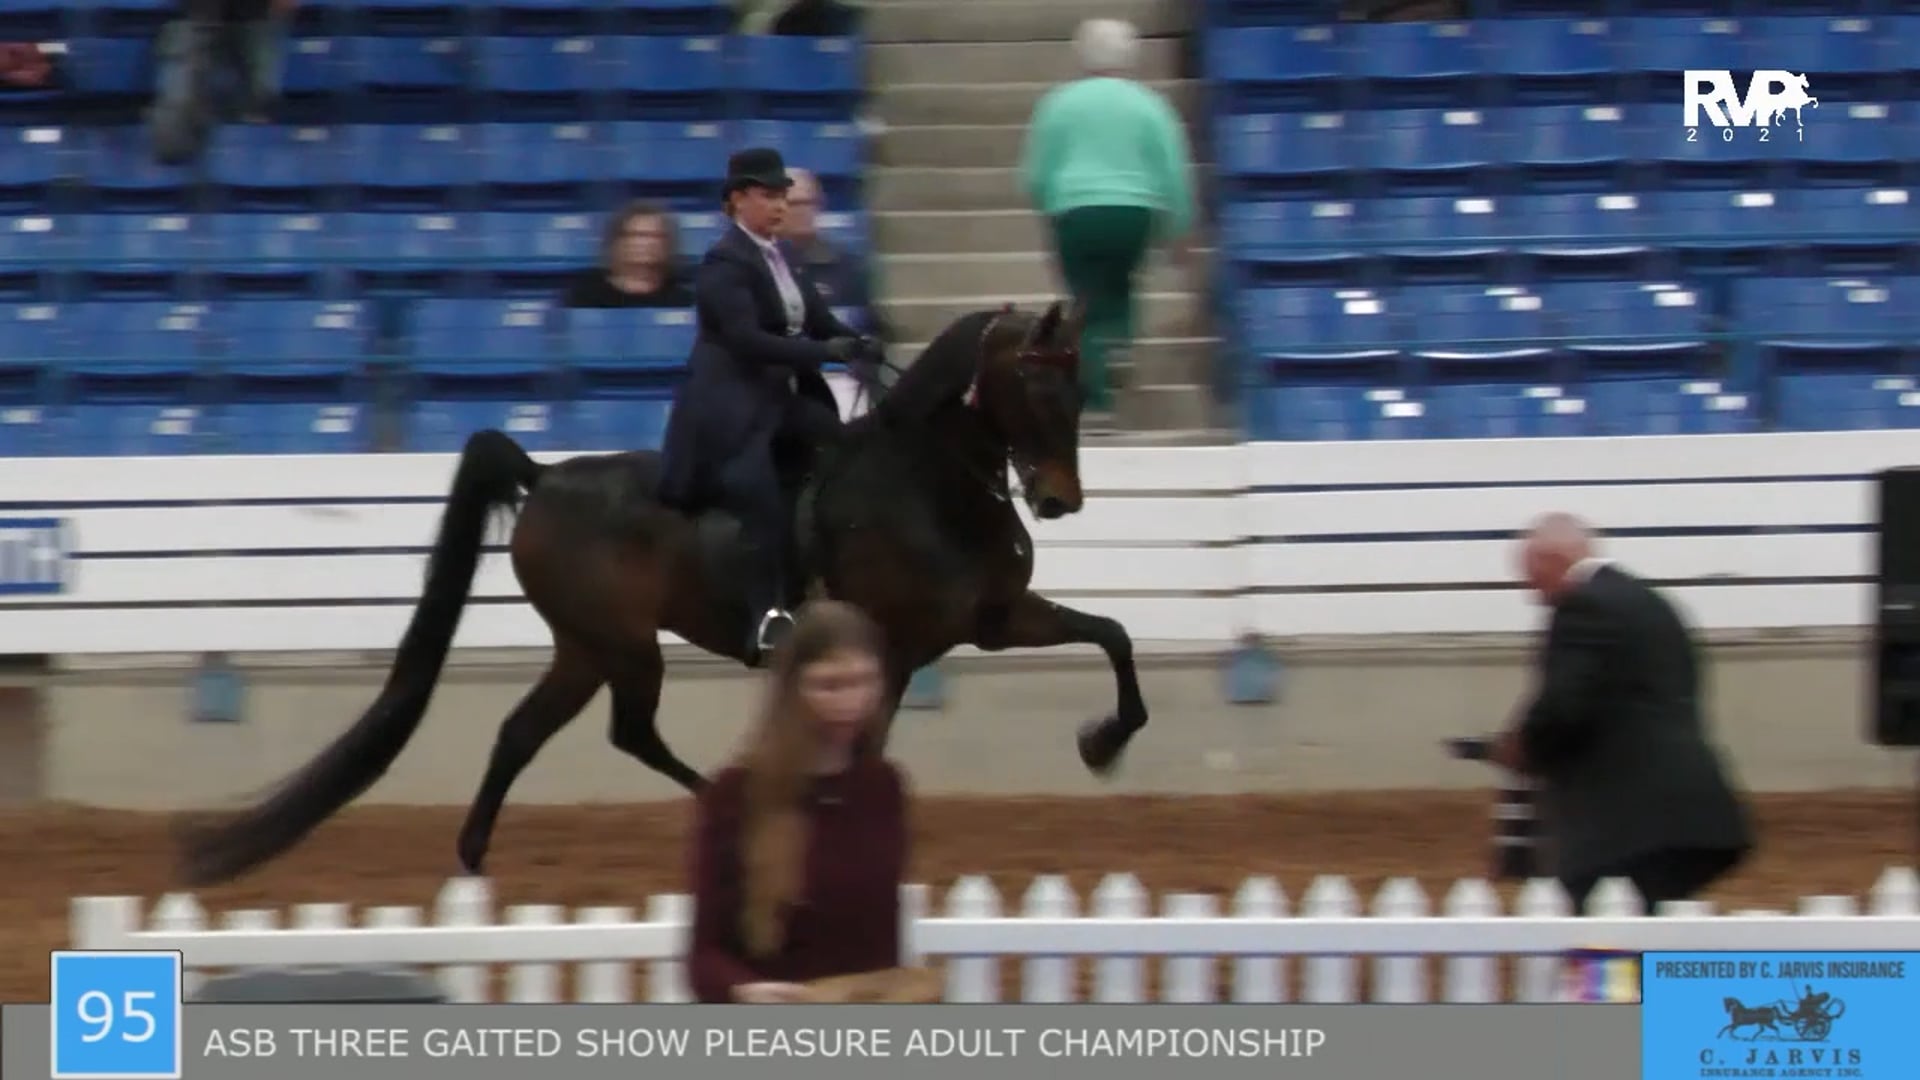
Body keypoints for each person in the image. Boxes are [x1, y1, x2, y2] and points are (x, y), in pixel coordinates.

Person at [654, 147, 875, 664]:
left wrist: (858, 345)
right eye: (768, 195)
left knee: (844, 453)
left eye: (783, 195)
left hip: (778, 402)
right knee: (759, 499)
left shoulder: (783, 260)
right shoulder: (722, 264)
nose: (780, 204)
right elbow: (747, 340)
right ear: (736, 201)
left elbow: (818, 320)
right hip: (731, 410)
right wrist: (825, 353)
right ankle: (766, 614)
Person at [1493, 512, 1754, 915]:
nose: (1532, 592)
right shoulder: (1654, 603)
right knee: (1652, 935)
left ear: (1551, 559)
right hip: (1693, 811)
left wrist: (1523, 744)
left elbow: (1564, 705)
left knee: (1606, 941)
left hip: (1626, 826)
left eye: (1531, 575)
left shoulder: (1582, 606)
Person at [685, 600, 915, 1004]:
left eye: (865, 681)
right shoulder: (735, 794)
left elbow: (884, 941)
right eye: (830, 685)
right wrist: (742, 989)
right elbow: (704, 955)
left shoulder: (884, 788)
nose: (852, 701)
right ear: (791, 689)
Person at [1018, 17, 1198, 430]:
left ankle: (1096, 400)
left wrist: (1048, 210)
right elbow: (1174, 170)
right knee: (1121, 285)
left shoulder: (1058, 104)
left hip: (1076, 210)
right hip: (1134, 211)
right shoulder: (1150, 104)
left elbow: (1036, 174)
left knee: (1084, 303)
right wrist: (1180, 226)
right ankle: (1120, 344)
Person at [778, 168, 891, 340]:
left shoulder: (849, 267)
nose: (802, 211)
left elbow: (874, 331)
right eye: (793, 204)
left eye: (809, 203)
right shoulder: (749, 264)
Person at [561, 201, 694, 309]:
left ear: (668, 244)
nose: (646, 243)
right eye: (637, 235)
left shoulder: (683, 301)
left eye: (655, 236)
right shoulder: (586, 294)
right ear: (617, 242)